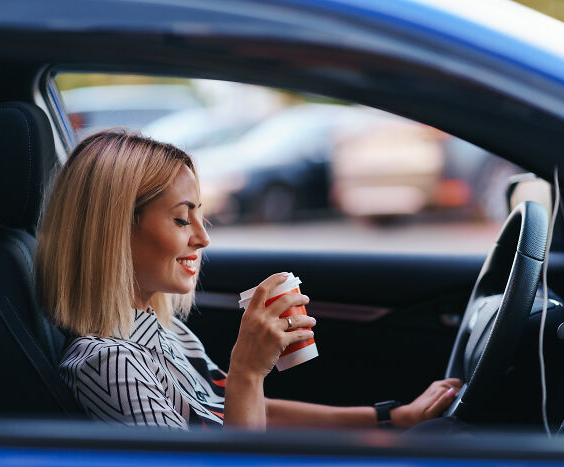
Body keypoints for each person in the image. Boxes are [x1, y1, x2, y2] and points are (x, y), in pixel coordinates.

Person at [35, 129, 462, 430]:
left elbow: (249, 413)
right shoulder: (108, 362)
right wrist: (247, 371)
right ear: (115, 230)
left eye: (201, 216)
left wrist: (391, 419)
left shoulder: (167, 334)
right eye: (183, 218)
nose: (202, 237)